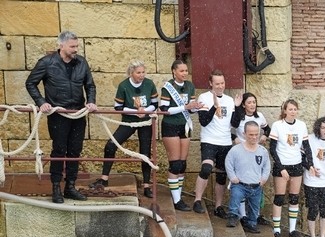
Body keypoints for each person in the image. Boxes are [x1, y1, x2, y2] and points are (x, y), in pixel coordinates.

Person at [25, 30, 98, 204]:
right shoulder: (46, 63)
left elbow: (90, 85)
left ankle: (70, 187)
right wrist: (41, 101)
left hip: (78, 113)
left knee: (75, 150)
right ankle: (56, 187)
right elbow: (30, 83)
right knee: (59, 150)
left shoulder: (82, 62)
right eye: (72, 46)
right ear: (61, 45)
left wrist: (91, 101)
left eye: (77, 46)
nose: (75, 49)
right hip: (58, 114)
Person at [91, 59, 159, 197]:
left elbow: (155, 104)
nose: (142, 75)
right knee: (111, 145)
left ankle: (147, 185)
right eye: (138, 72)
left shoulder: (149, 84)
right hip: (129, 121)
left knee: (145, 153)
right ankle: (104, 178)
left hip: (145, 122)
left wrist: (145, 111)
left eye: (143, 72)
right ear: (131, 73)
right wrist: (135, 112)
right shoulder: (123, 86)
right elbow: (118, 107)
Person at [192, 69, 242, 216]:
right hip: (209, 140)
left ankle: (218, 206)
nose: (220, 86)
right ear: (210, 83)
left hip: (225, 142)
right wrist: (214, 106)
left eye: (222, 83)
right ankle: (197, 200)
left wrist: (238, 107)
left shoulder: (228, 100)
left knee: (222, 174)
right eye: (217, 83)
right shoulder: (204, 97)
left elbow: (235, 123)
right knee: (206, 169)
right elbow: (204, 122)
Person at [159, 58, 203, 211]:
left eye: (186, 70)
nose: (185, 73)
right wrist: (186, 106)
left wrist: (196, 107)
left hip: (185, 126)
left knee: (182, 165)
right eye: (182, 70)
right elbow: (164, 109)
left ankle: (177, 194)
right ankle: (177, 201)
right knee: (175, 163)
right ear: (174, 71)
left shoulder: (190, 86)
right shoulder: (168, 87)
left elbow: (190, 109)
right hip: (170, 126)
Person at [268, 98, 311, 237]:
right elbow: (272, 149)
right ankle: (277, 229)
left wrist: (309, 164)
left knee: (294, 197)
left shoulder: (301, 125)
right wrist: (281, 168)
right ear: (284, 110)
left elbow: (306, 146)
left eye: (295, 109)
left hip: (297, 164)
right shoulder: (277, 125)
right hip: (282, 165)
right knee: (279, 197)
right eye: (290, 109)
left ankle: (292, 229)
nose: (293, 112)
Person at [224, 121, 271, 234]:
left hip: (256, 185)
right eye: (251, 134)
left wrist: (264, 178)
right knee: (235, 199)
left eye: (256, 134)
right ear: (244, 134)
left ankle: (251, 223)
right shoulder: (236, 150)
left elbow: (266, 166)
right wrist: (232, 177)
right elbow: (228, 163)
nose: (254, 137)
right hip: (240, 184)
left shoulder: (263, 151)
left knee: (255, 207)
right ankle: (232, 216)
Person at [230, 92, 270, 223]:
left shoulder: (260, 117)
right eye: (249, 102)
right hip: (242, 152)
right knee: (241, 183)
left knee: (256, 184)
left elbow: (267, 129)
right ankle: (242, 215)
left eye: (254, 102)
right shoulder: (239, 117)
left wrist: (264, 136)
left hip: (255, 152)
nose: (252, 105)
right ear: (244, 104)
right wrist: (235, 138)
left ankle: (256, 214)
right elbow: (229, 129)